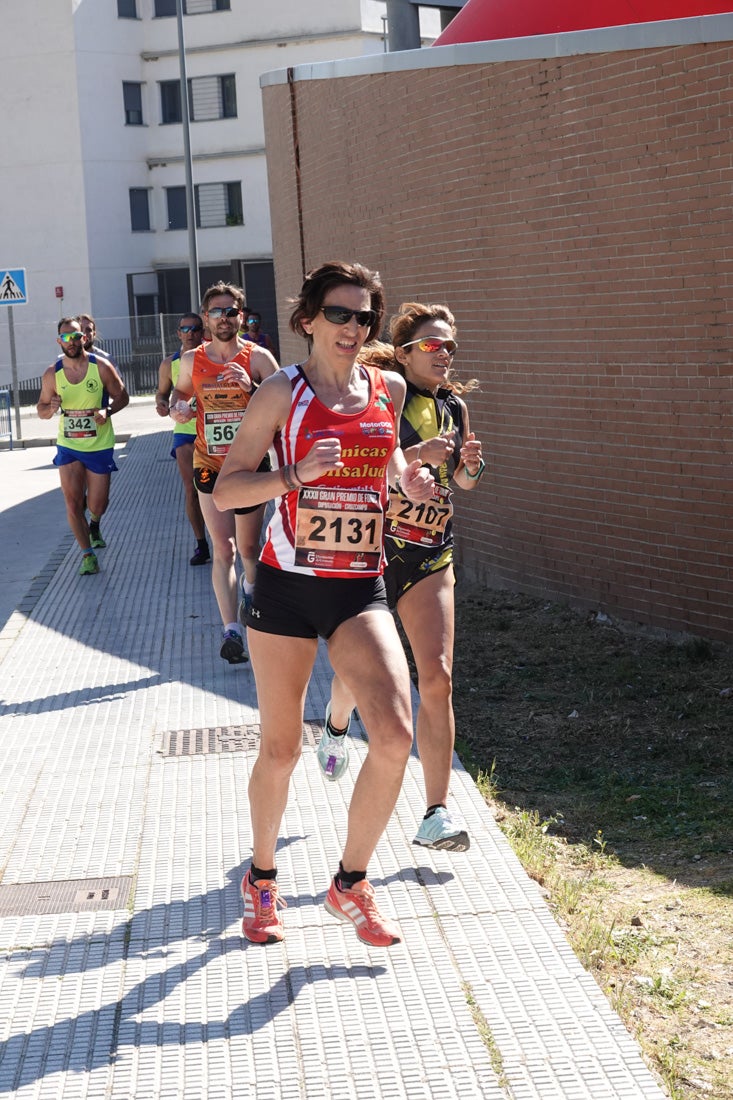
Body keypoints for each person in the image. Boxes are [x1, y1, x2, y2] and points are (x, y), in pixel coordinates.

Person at [213, 261, 435, 947]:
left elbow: (388, 468)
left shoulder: (387, 389)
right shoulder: (281, 392)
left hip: (356, 588)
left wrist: (413, 478)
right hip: (284, 586)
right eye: (339, 314)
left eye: (364, 317)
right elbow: (226, 491)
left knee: (395, 735)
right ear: (307, 319)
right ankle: (262, 877)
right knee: (279, 749)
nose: (353, 327)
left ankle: (350, 882)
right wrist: (292, 475)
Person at [323, 303, 485, 852]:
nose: (444, 355)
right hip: (376, 550)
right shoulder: (385, 394)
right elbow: (364, 462)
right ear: (405, 351)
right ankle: (338, 719)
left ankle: (435, 814)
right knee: (360, 671)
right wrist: (417, 452)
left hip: (432, 552)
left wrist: (468, 468)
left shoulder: (455, 406)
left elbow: (462, 483)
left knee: (437, 678)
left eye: (451, 347)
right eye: (433, 345)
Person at [170, 282, 278, 663]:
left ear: (242, 316)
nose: (225, 317)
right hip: (209, 462)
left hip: (249, 465)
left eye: (232, 311)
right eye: (217, 311)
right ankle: (231, 630)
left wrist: (253, 388)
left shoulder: (259, 358)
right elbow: (180, 394)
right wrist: (178, 408)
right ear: (205, 318)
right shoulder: (191, 361)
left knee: (249, 548)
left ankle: (252, 590)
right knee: (223, 548)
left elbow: (287, 407)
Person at [36, 317, 129, 574]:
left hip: (99, 445)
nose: (72, 341)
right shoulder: (52, 373)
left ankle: (95, 522)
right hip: (69, 446)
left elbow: (123, 396)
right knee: (72, 503)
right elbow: (41, 409)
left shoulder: (101, 366)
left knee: (97, 504)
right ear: (59, 341)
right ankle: (87, 555)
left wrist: (107, 410)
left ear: (84, 338)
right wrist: (50, 408)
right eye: (66, 337)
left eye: (76, 336)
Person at [155, 312, 211, 566]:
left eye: (195, 328)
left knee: (222, 486)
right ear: (178, 333)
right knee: (192, 489)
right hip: (186, 431)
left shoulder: (214, 356)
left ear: (202, 332)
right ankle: (201, 544)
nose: (190, 333)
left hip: (214, 430)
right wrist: (161, 405)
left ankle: (229, 537)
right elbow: (161, 394)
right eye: (184, 329)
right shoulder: (169, 364)